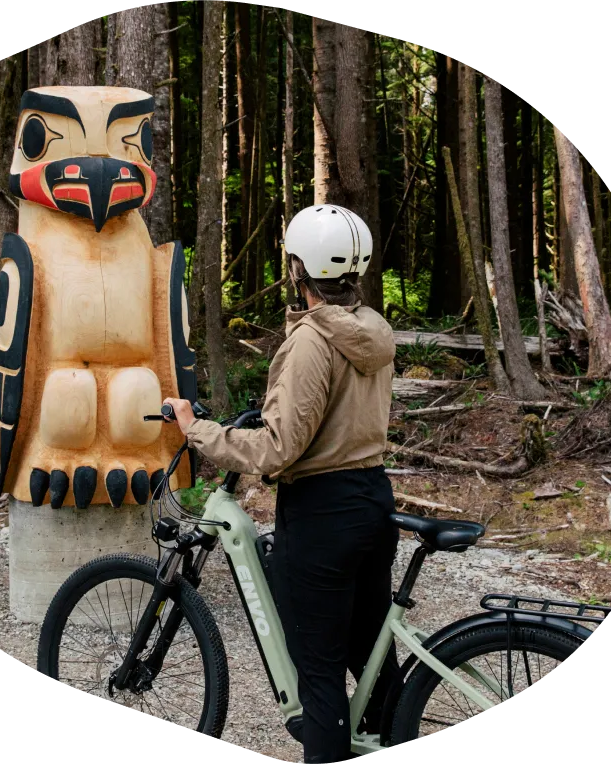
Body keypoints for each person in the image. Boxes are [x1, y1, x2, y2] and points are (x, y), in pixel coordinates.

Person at [163, 204, 400, 764]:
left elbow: (277, 448)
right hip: (373, 501)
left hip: (322, 514)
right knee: (372, 663)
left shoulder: (311, 343)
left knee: (318, 676)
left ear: (299, 268)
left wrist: (196, 429)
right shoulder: (373, 332)